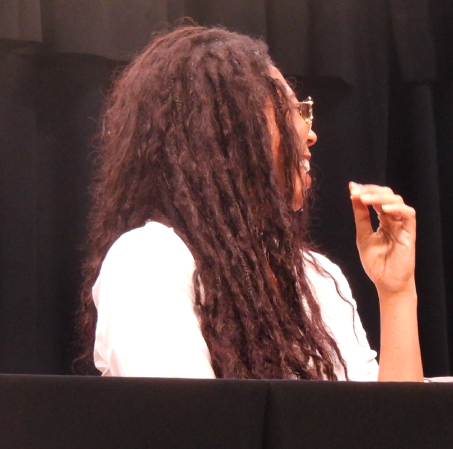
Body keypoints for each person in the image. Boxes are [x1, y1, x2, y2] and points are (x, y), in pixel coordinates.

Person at [78, 25, 422, 381]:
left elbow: (395, 426)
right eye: (293, 111)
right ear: (227, 131)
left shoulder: (316, 276)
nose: (310, 132)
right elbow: (186, 427)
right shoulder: (150, 261)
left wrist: (396, 292)